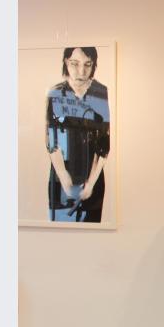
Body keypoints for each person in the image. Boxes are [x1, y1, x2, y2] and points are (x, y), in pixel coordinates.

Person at [46, 46, 110, 222]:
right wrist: (64, 179)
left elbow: (104, 143)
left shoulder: (101, 93)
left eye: (87, 64)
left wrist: (90, 184)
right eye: (75, 64)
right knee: (58, 233)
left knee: (92, 232)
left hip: (93, 178)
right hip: (61, 178)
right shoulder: (55, 93)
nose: (81, 72)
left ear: (93, 65)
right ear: (66, 62)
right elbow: (51, 140)